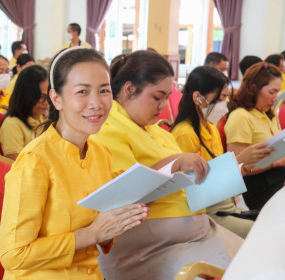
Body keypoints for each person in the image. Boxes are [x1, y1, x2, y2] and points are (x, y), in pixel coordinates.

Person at [0, 47, 149, 279]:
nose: (96, 103)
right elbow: (14, 254)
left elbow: (99, 231)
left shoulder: (101, 154)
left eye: (104, 90)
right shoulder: (34, 161)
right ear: (56, 99)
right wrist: (93, 234)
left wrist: (118, 222)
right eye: (82, 92)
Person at [91, 51, 243, 279]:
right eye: (157, 97)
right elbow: (121, 198)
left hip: (189, 232)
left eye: (167, 98)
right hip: (147, 246)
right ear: (130, 89)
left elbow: (181, 179)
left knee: (253, 261)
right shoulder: (107, 128)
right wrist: (175, 163)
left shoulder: (155, 130)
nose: (163, 106)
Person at [171, 66, 272, 238]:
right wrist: (240, 160)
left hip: (224, 205)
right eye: (221, 98)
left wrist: (245, 165)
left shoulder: (211, 128)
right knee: (264, 234)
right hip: (206, 212)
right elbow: (193, 192)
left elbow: (216, 172)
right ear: (198, 98)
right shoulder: (185, 133)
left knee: (270, 222)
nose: (224, 104)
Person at [225, 62, 285, 210]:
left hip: (276, 178)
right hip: (256, 187)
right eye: (272, 92)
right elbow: (238, 167)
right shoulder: (241, 116)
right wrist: (277, 162)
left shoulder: (267, 114)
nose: (275, 98)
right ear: (254, 89)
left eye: (277, 92)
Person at [0, 65, 48, 160]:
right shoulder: (12, 125)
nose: (47, 103)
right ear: (26, 95)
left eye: (48, 96)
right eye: (42, 97)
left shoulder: (42, 118)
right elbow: (16, 165)